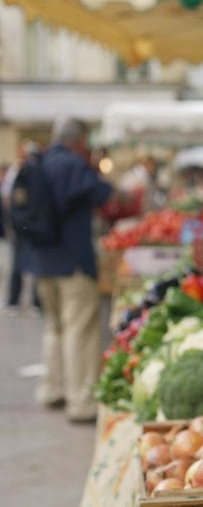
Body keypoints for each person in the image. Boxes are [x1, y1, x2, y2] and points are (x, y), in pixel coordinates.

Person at [28, 117, 113, 424]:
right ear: (79, 141)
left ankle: (52, 388)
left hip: (42, 261)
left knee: (55, 327)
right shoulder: (72, 165)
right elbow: (105, 195)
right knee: (80, 329)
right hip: (73, 262)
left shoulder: (41, 162)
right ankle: (81, 402)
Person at [0, 140, 42, 315]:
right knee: (26, 263)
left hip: (25, 224)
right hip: (28, 224)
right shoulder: (25, 173)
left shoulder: (25, 173)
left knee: (23, 262)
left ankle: (24, 301)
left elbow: (11, 198)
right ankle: (28, 302)